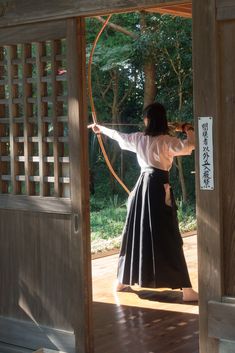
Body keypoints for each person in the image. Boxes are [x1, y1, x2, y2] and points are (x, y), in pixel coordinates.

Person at [89, 102, 198, 302]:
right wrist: (186, 128)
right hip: (158, 187)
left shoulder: (140, 138)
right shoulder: (168, 141)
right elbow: (191, 144)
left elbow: (117, 135)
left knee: (134, 232)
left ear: (148, 120)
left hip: (142, 188)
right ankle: (186, 290)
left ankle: (122, 280)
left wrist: (100, 129)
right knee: (168, 235)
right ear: (164, 121)